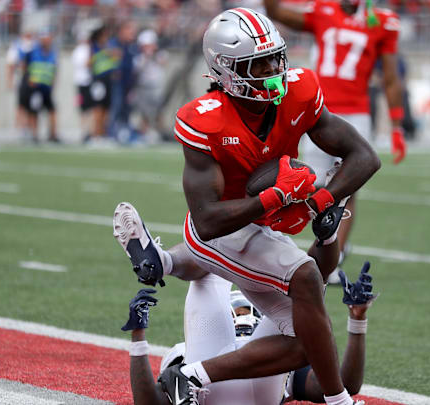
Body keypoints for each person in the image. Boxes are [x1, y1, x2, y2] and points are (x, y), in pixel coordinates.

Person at [113, 8, 380, 405]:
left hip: (261, 225)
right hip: (217, 233)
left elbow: (364, 156)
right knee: (306, 276)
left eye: (276, 57)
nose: (274, 69)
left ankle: (190, 371)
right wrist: (276, 196)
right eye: (260, 63)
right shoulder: (206, 120)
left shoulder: (298, 92)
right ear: (227, 70)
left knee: (310, 336)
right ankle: (339, 402)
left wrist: (323, 201)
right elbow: (206, 222)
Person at [264, 0, 405, 281]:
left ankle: (332, 256)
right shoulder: (322, 10)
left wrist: (397, 124)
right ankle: (329, 244)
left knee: (347, 187)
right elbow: (276, 13)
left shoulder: (382, 22)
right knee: (312, 183)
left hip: (356, 113)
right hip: (320, 111)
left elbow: (390, 77)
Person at [121, 260, 377, 405]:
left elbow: (342, 384)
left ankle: (165, 259)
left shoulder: (278, 352)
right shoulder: (279, 352)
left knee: (209, 274)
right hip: (247, 385)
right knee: (303, 310)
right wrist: (138, 336)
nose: (243, 316)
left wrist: (138, 337)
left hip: (230, 384)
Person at [21, 29, 59, 143]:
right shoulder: (33, 52)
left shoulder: (53, 52)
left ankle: (53, 135)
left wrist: (53, 81)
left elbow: (54, 69)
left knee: (52, 110)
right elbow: (24, 66)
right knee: (34, 111)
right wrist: (29, 79)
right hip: (35, 87)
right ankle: (34, 134)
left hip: (46, 87)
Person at [88, 25, 120, 143]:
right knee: (98, 108)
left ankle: (103, 134)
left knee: (107, 109)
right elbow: (89, 63)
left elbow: (117, 58)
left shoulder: (110, 47)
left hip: (108, 81)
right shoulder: (94, 47)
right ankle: (96, 134)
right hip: (99, 81)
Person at [6, 30, 36, 139]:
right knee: (21, 105)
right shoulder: (17, 46)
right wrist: (10, 80)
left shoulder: (35, 46)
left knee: (31, 105)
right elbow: (11, 65)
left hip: (32, 80)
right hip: (21, 79)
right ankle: (19, 128)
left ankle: (29, 129)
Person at [72, 29, 94, 141]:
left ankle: (89, 131)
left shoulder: (88, 49)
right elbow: (87, 64)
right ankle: (84, 131)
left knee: (90, 109)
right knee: (83, 109)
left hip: (89, 82)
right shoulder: (80, 50)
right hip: (82, 83)